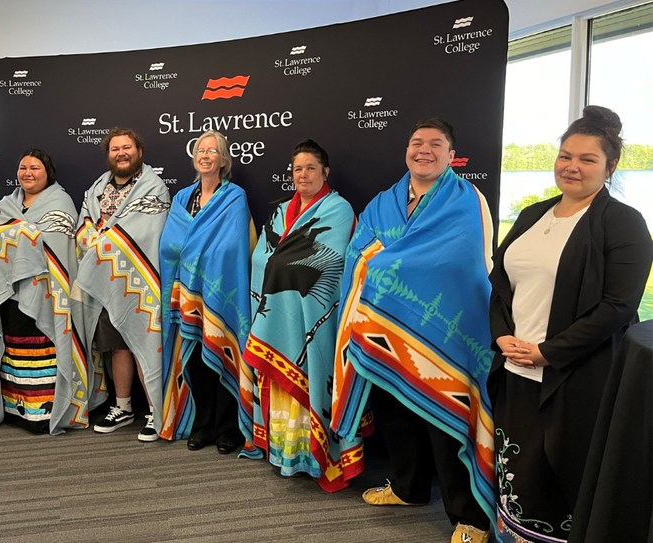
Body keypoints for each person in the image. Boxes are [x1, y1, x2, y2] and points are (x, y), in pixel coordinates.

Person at [488, 106, 653, 543]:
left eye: (587, 159)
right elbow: (500, 285)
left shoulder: (624, 223)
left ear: (610, 166)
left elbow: (618, 306)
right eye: (565, 156)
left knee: (566, 478)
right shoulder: (532, 214)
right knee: (519, 475)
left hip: (578, 378)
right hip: (516, 370)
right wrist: (501, 335)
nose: (572, 166)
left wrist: (548, 352)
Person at [331, 118, 495, 543]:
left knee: (447, 418)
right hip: (384, 326)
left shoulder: (467, 200)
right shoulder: (383, 202)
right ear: (406, 150)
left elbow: (465, 263)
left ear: (451, 155)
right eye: (417, 142)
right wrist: (389, 264)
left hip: (445, 331)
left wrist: (391, 263)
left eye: (435, 144)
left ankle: (470, 517)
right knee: (397, 411)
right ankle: (409, 488)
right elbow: (358, 252)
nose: (424, 150)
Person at [240, 139, 362, 491]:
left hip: (314, 318)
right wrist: (279, 265)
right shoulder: (281, 211)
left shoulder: (337, 209)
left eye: (311, 168)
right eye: (297, 169)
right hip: (275, 319)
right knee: (280, 387)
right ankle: (285, 454)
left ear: (325, 171)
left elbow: (331, 261)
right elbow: (263, 258)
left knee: (312, 382)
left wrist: (280, 264)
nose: (303, 174)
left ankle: (312, 457)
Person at [0, 149, 90, 434]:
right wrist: (25, 232)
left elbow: (58, 242)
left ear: (47, 172)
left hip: (48, 294)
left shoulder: (60, 202)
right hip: (10, 293)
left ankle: (45, 413)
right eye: (23, 167)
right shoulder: (6, 205)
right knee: (16, 349)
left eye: (35, 167)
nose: (27, 173)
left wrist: (15, 233)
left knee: (44, 348)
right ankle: (17, 410)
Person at [158, 131, 252, 453]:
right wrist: (194, 252)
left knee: (221, 350)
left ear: (223, 160)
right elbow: (170, 243)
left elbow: (232, 246)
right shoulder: (183, 198)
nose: (206, 155)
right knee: (196, 357)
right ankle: (202, 426)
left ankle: (228, 429)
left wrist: (195, 253)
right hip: (186, 290)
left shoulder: (234, 196)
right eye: (201, 150)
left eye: (213, 151)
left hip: (220, 289)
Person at [75, 127, 170, 442]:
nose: (121, 153)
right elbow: (84, 224)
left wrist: (102, 242)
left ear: (139, 152)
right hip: (106, 279)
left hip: (140, 280)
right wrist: (94, 241)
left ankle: (156, 410)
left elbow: (147, 230)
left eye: (127, 147)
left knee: (143, 342)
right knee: (118, 345)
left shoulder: (153, 188)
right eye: (115, 149)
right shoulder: (96, 189)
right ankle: (123, 406)